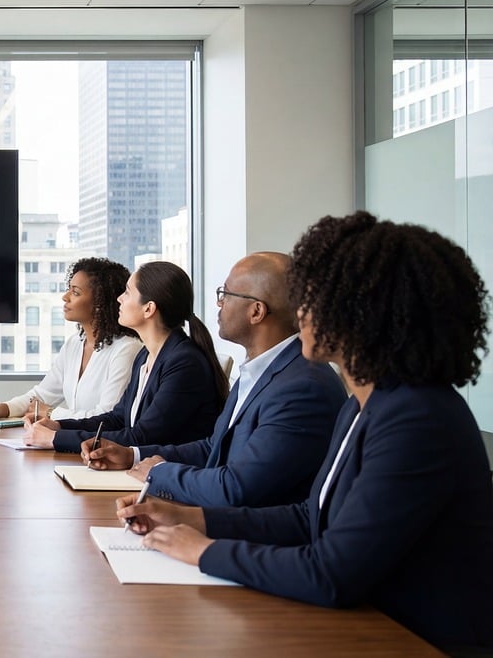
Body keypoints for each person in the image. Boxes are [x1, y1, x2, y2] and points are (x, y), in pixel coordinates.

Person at [120, 213, 493, 652]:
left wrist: (201, 551)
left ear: (364, 315)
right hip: (368, 625)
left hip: (417, 640)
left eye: (312, 298)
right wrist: (191, 518)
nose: (300, 314)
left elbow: (330, 572)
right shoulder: (364, 404)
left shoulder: (417, 418)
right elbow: (308, 518)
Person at [83, 253, 346, 508]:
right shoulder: (261, 370)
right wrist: (133, 456)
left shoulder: (302, 387)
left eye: (226, 294)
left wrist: (160, 473)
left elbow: (237, 487)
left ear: (256, 312)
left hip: (257, 538)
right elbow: (214, 448)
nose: (219, 304)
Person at [23, 261, 226, 452]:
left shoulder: (184, 363)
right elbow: (117, 419)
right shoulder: (146, 356)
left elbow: (141, 437)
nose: (119, 298)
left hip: (166, 475)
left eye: (127, 293)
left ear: (149, 309)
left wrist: (55, 439)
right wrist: (58, 426)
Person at [0, 257, 140, 422]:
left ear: (100, 302)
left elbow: (108, 415)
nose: (65, 297)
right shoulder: (74, 344)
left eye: (75, 292)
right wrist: (4, 408)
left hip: (101, 444)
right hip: (75, 441)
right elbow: (43, 395)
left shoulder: (127, 349)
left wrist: (51, 413)